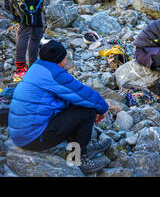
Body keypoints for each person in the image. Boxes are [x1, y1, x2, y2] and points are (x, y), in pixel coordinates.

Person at [8, 40, 111, 175]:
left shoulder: (37, 68)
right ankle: (78, 158)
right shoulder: (54, 74)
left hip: (21, 134)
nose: (66, 58)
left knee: (76, 103)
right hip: (33, 138)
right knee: (88, 109)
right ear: (59, 59)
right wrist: (103, 109)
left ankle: (81, 144)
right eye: (64, 56)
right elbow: (84, 95)